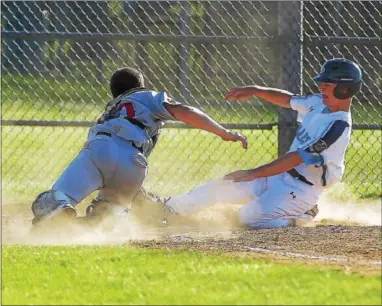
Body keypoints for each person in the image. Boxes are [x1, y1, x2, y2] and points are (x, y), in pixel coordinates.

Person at [156, 58, 362, 228]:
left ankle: (300, 215)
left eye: (327, 84)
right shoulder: (319, 103)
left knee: (247, 219)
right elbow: (289, 100)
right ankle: (167, 208)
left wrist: (253, 173)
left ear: (344, 90)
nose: (321, 87)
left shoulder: (338, 127)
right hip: (278, 176)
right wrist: (255, 90)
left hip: (301, 190)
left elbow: (297, 157)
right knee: (222, 185)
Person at [31, 67, 247, 225]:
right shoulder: (145, 96)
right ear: (139, 86)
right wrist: (223, 132)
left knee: (51, 200)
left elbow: (106, 156)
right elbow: (185, 111)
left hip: (102, 149)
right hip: (135, 165)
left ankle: (59, 215)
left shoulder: (112, 109)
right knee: (107, 217)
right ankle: (99, 223)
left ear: (115, 93)